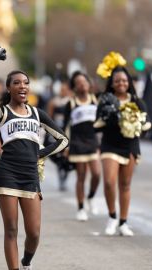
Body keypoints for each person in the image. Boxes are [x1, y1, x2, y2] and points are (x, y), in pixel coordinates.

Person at [0, 68, 68, 270]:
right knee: (11, 230)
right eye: (17, 83)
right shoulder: (2, 113)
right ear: (9, 88)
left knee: (34, 233)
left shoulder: (38, 114)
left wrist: (40, 154)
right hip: (7, 174)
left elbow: (63, 140)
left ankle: (26, 261)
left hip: (30, 176)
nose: (22, 86)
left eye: (25, 82)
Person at [94, 66, 150, 237]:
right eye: (117, 80)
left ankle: (123, 222)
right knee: (110, 182)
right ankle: (112, 217)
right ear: (112, 83)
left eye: (124, 80)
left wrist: (138, 125)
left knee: (125, 185)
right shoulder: (105, 99)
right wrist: (111, 119)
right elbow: (97, 123)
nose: (121, 83)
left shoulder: (137, 101)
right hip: (110, 145)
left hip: (130, 146)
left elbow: (146, 125)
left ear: (129, 83)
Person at [63, 71, 101, 221]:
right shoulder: (71, 103)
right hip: (77, 143)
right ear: (74, 87)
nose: (82, 85)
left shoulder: (95, 100)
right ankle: (80, 208)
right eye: (78, 83)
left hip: (92, 142)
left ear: (89, 84)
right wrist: (65, 146)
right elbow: (65, 126)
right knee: (81, 176)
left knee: (97, 174)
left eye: (84, 82)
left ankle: (91, 197)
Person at [46, 78, 72, 191]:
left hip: (67, 131)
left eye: (65, 89)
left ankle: (64, 174)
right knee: (57, 154)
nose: (63, 91)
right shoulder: (54, 102)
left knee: (66, 156)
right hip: (56, 132)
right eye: (62, 89)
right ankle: (60, 174)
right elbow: (49, 117)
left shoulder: (71, 101)